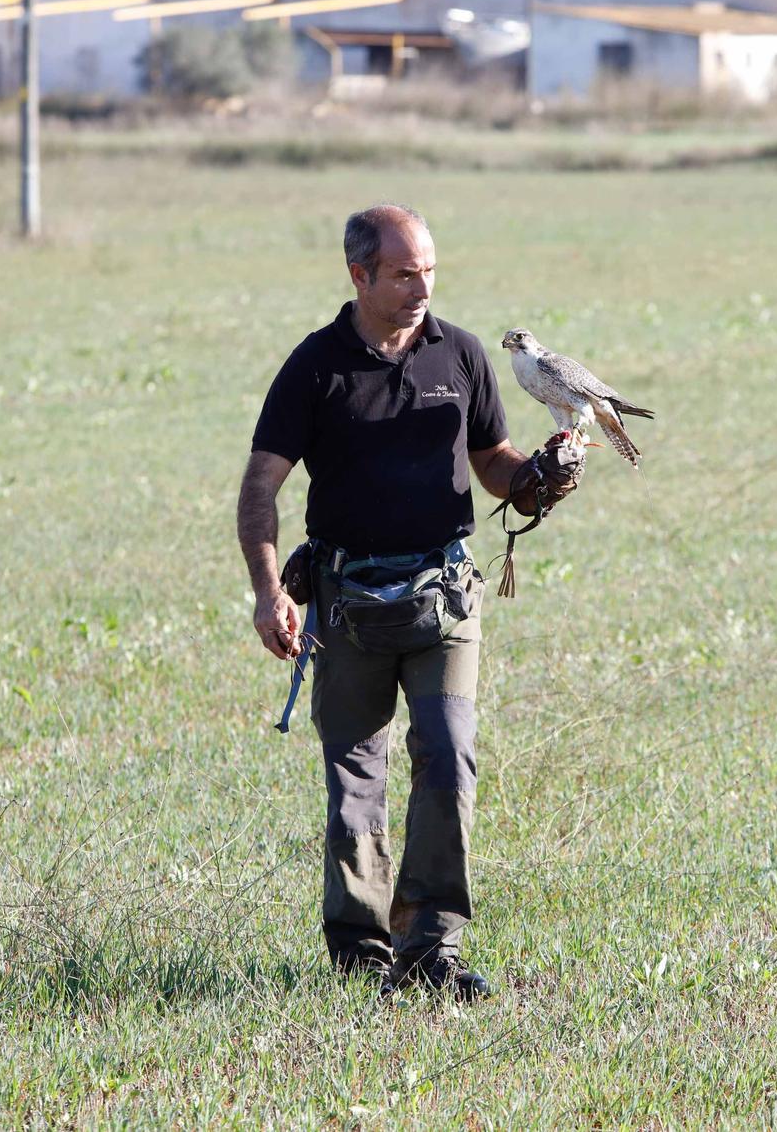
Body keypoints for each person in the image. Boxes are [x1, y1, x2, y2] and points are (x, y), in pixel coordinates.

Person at [237, 203, 581, 1000]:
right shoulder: (316, 367)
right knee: (356, 781)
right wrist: (266, 592)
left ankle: (432, 954)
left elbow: (493, 458)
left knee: (448, 759)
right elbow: (261, 485)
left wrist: (534, 479)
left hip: (444, 600)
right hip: (348, 605)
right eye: (402, 273)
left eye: (428, 269)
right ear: (359, 274)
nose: (421, 285)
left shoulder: (459, 353)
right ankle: (361, 958)